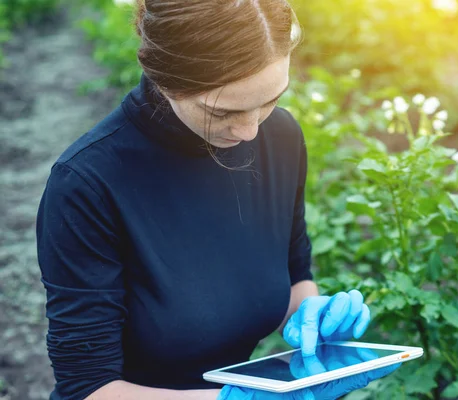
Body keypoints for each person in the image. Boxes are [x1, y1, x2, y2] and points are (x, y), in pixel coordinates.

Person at [36, 1, 399, 399]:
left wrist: (315, 323)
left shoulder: (280, 138)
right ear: (165, 78)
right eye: (221, 111)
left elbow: (295, 276)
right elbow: (87, 387)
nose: (248, 132)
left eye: (270, 100)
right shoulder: (88, 183)